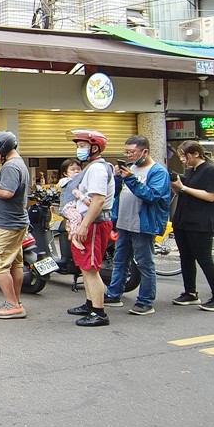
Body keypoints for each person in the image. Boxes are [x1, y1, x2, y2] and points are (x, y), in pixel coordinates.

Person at [104, 135, 172, 316]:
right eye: (126, 152)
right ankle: (114, 293)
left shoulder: (158, 172)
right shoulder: (130, 168)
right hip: (124, 223)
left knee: (144, 263)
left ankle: (145, 301)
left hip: (143, 224)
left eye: (132, 152)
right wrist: (118, 178)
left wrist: (131, 179)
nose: (128, 156)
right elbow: (118, 193)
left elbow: (152, 196)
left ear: (145, 151)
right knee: (120, 261)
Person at [171, 140, 214, 311]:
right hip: (184, 220)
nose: (182, 160)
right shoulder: (191, 170)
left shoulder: (210, 170)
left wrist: (183, 188)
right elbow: (184, 191)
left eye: (184, 156)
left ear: (196, 153)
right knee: (186, 258)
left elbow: (211, 196)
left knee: (204, 259)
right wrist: (177, 186)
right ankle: (190, 293)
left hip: (201, 222)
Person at [65, 130, 115, 327]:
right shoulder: (94, 168)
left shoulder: (97, 170)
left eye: (83, 146)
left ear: (95, 147)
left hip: (93, 223)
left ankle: (99, 312)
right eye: (78, 146)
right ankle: (90, 303)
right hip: (90, 222)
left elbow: (98, 199)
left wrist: (84, 225)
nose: (79, 149)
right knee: (85, 267)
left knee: (90, 267)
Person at [0, 131, 30, 320]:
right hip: (16, 222)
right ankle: (15, 301)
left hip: (5, 225)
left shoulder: (10, 166)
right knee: (14, 263)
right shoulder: (19, 164)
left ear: (3, 148)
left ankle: (12, 305)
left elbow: (7, 193)